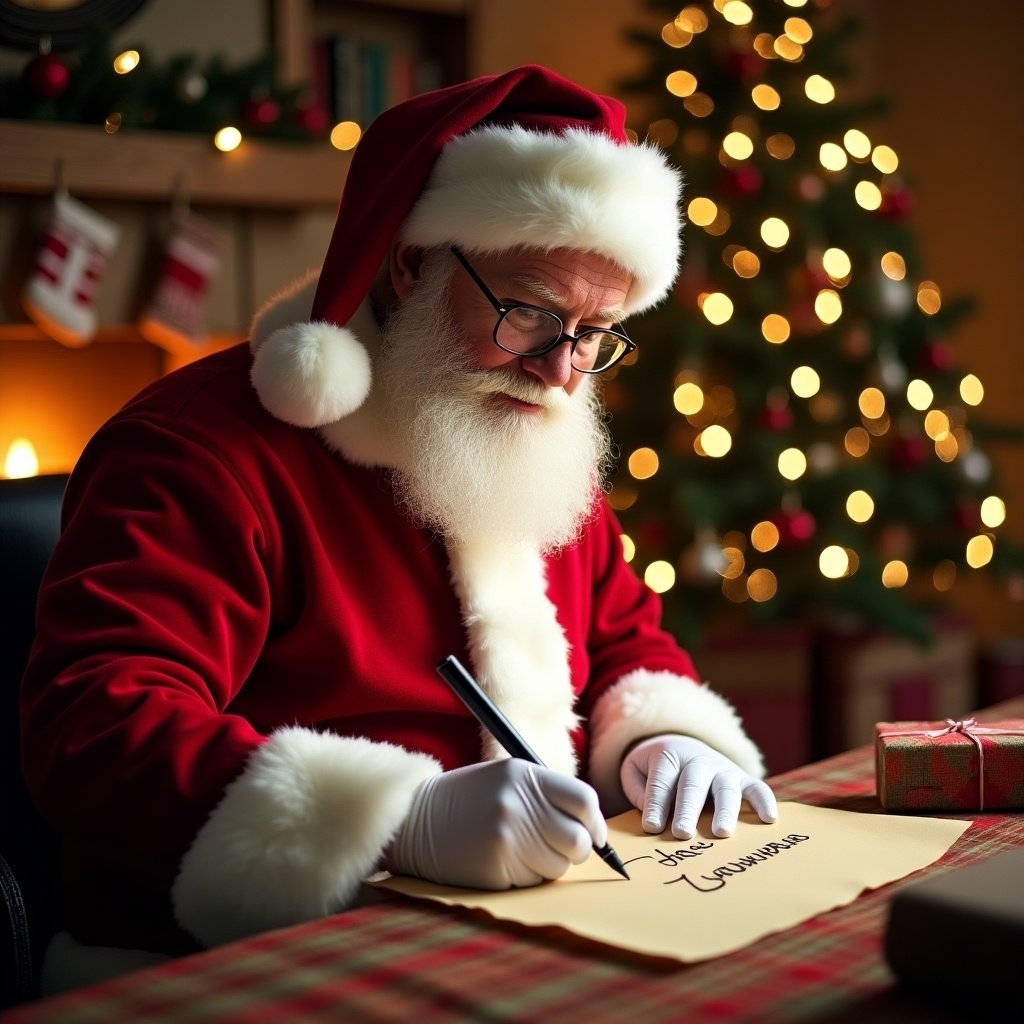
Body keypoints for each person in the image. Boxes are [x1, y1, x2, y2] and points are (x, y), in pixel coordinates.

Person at [20, 64, 777, 991]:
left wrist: (665, 740)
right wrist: (396, 820)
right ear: (412, 261)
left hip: (516, 942)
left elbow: (624, 639)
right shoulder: (195, 453)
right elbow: (94, 727)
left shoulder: (532, 437)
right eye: (531, 311)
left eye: (596, 331)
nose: (562, 374)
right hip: (236, 968)